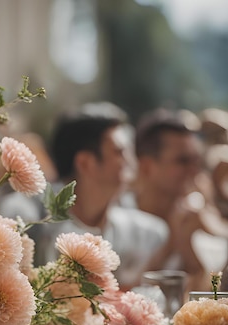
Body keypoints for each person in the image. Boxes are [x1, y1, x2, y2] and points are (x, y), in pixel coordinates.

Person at [23, 102, 169, 289]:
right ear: (85, 163)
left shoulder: (143, 231)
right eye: (120, 152)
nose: (132, 163)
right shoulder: (30, 221)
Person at [126, 109, 228, 292]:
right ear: (147, 166)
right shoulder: (116, 220)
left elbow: (211, 298)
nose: (194, 170)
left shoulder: (200, 216)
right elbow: (114, 300)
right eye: (182, 161)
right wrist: (171, 244)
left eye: (195, 160)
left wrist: (189, 252)